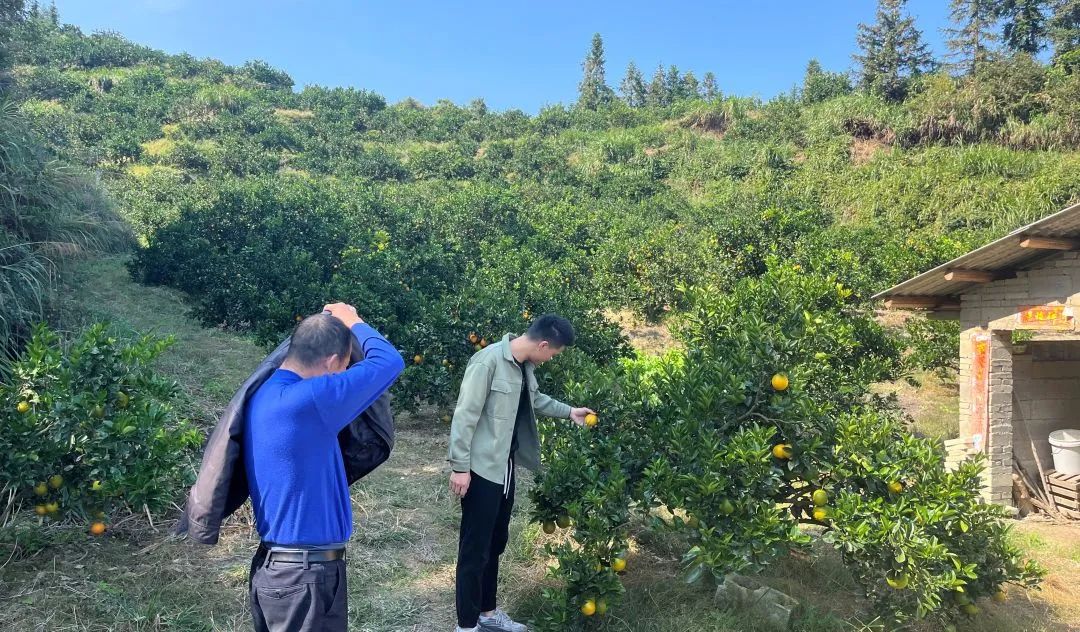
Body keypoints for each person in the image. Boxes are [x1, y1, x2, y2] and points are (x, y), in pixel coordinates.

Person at [243, 302, 405, 631]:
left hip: (288, 573)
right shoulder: (311, 400)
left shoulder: (269, 393)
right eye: (345, 368)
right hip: (302, 579)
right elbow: (389, 361)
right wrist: (352, 319)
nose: (343, 376)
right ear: (332, 363)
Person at [448, 314, 594, 632]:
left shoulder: (524, 367)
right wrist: (459, 467)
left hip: (506, 467)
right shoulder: (487, 362)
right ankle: (466, 625)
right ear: (543, 345)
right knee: (475, 548)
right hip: (481, 470)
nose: (550, 359)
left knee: (495, 542)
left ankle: (487, 614)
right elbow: (464, 415)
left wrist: (570, 412)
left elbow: (535, 399)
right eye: (553, 354)